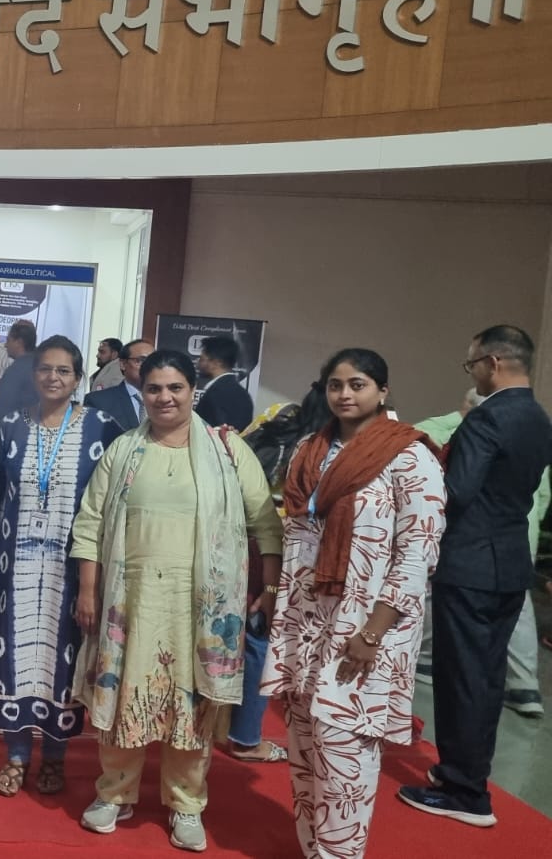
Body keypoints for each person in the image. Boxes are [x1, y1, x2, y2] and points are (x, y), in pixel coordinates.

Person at [72, 350, 282, 853]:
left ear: (192, 391)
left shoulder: (227, 449)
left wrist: (271, 589)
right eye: (154, 389)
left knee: (192, 703)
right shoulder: (125, 449)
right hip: (131, 601)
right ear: (141, 393)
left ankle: (187, 802)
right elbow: (90, 524)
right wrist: (87, 590)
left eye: (175, 388)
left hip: (201, 608)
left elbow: (266, 523)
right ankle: (115, 793)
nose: (164, 398)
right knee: (122, 694)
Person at [260, 349, 445, 859]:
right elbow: (297, 532)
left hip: (366, 628)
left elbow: (418, 553)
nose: (344, 394)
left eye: (357, 384)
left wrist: (372, 634)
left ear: (382, 391)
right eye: (335, 385)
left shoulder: (409, 456)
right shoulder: (311, 449)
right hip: (306, 622)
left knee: (345, 756)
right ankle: (313, 849)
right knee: (304, 747)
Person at [399, 325, 552, 828]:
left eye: (472, 365)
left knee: (461, 677)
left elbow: (457, 491)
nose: (472, 374)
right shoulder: (537, 417)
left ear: (493, 362)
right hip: (510, 563)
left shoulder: (486, 418)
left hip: (470, 565)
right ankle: (465, 771)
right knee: (485, 680)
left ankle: (465, 791)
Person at [0, 336, 121, 799]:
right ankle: (17, 757)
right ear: (33, 373)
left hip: (72, 571)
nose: (53, 377)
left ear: (78, 379)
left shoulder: (102, 428)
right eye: (45, 369)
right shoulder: (9, 426)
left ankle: (55, 758)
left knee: (62, 660)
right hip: (13, 565)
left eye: (64, 371)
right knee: (14, 658)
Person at [414, 388, 550, 717]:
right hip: (519, 540)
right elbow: (543, 494)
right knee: (514, 620)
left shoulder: (458, 429)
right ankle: (524, 686)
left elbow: (452, 488)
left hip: (470, 546)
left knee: (454, 629)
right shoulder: (535, 427)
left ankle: (429, 661)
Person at [224, 383, 332, 767]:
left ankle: (214, 723)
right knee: (261, 637)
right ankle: (246, 737)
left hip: (233, 539)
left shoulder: (276, 417)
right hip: (278, 549)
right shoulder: (321, 448)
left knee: (230, 631)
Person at [85, 339, 153, 431]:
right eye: (141, 361)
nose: (150, 366)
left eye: (154, 361)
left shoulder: (166, 400)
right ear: (123, 364)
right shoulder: (99, 402)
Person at [194, 335, 253, 430]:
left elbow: (217, 432)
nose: (198, 364)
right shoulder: (241, 393)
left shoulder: (217, 393)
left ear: (217, 362)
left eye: (202, 359)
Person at [0, 319, 38, 417]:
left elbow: (3, 410)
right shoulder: (44, 366)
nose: (6, 345)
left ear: (19, 342)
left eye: (9, 340)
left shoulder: (15, 373)